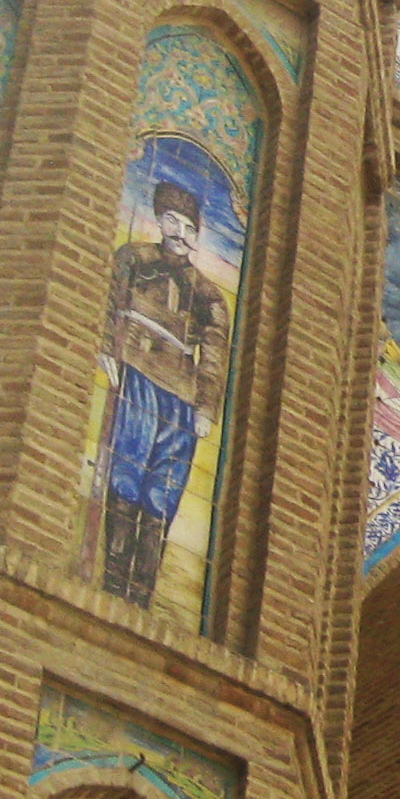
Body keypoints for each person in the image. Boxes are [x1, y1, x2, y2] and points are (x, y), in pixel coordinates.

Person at [95, 180, 229, 605]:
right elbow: (111, 301)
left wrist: (206, 406)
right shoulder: (134, 257)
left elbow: (213, 352)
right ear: (160, 219)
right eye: (172, 219)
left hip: (182, 392)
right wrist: (106, 349)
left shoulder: (208, 293)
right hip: (137, 371)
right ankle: (114, 578)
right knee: (126, 473)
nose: (179, 230)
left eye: (188, 224)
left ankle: (142, 588)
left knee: (164, 487)